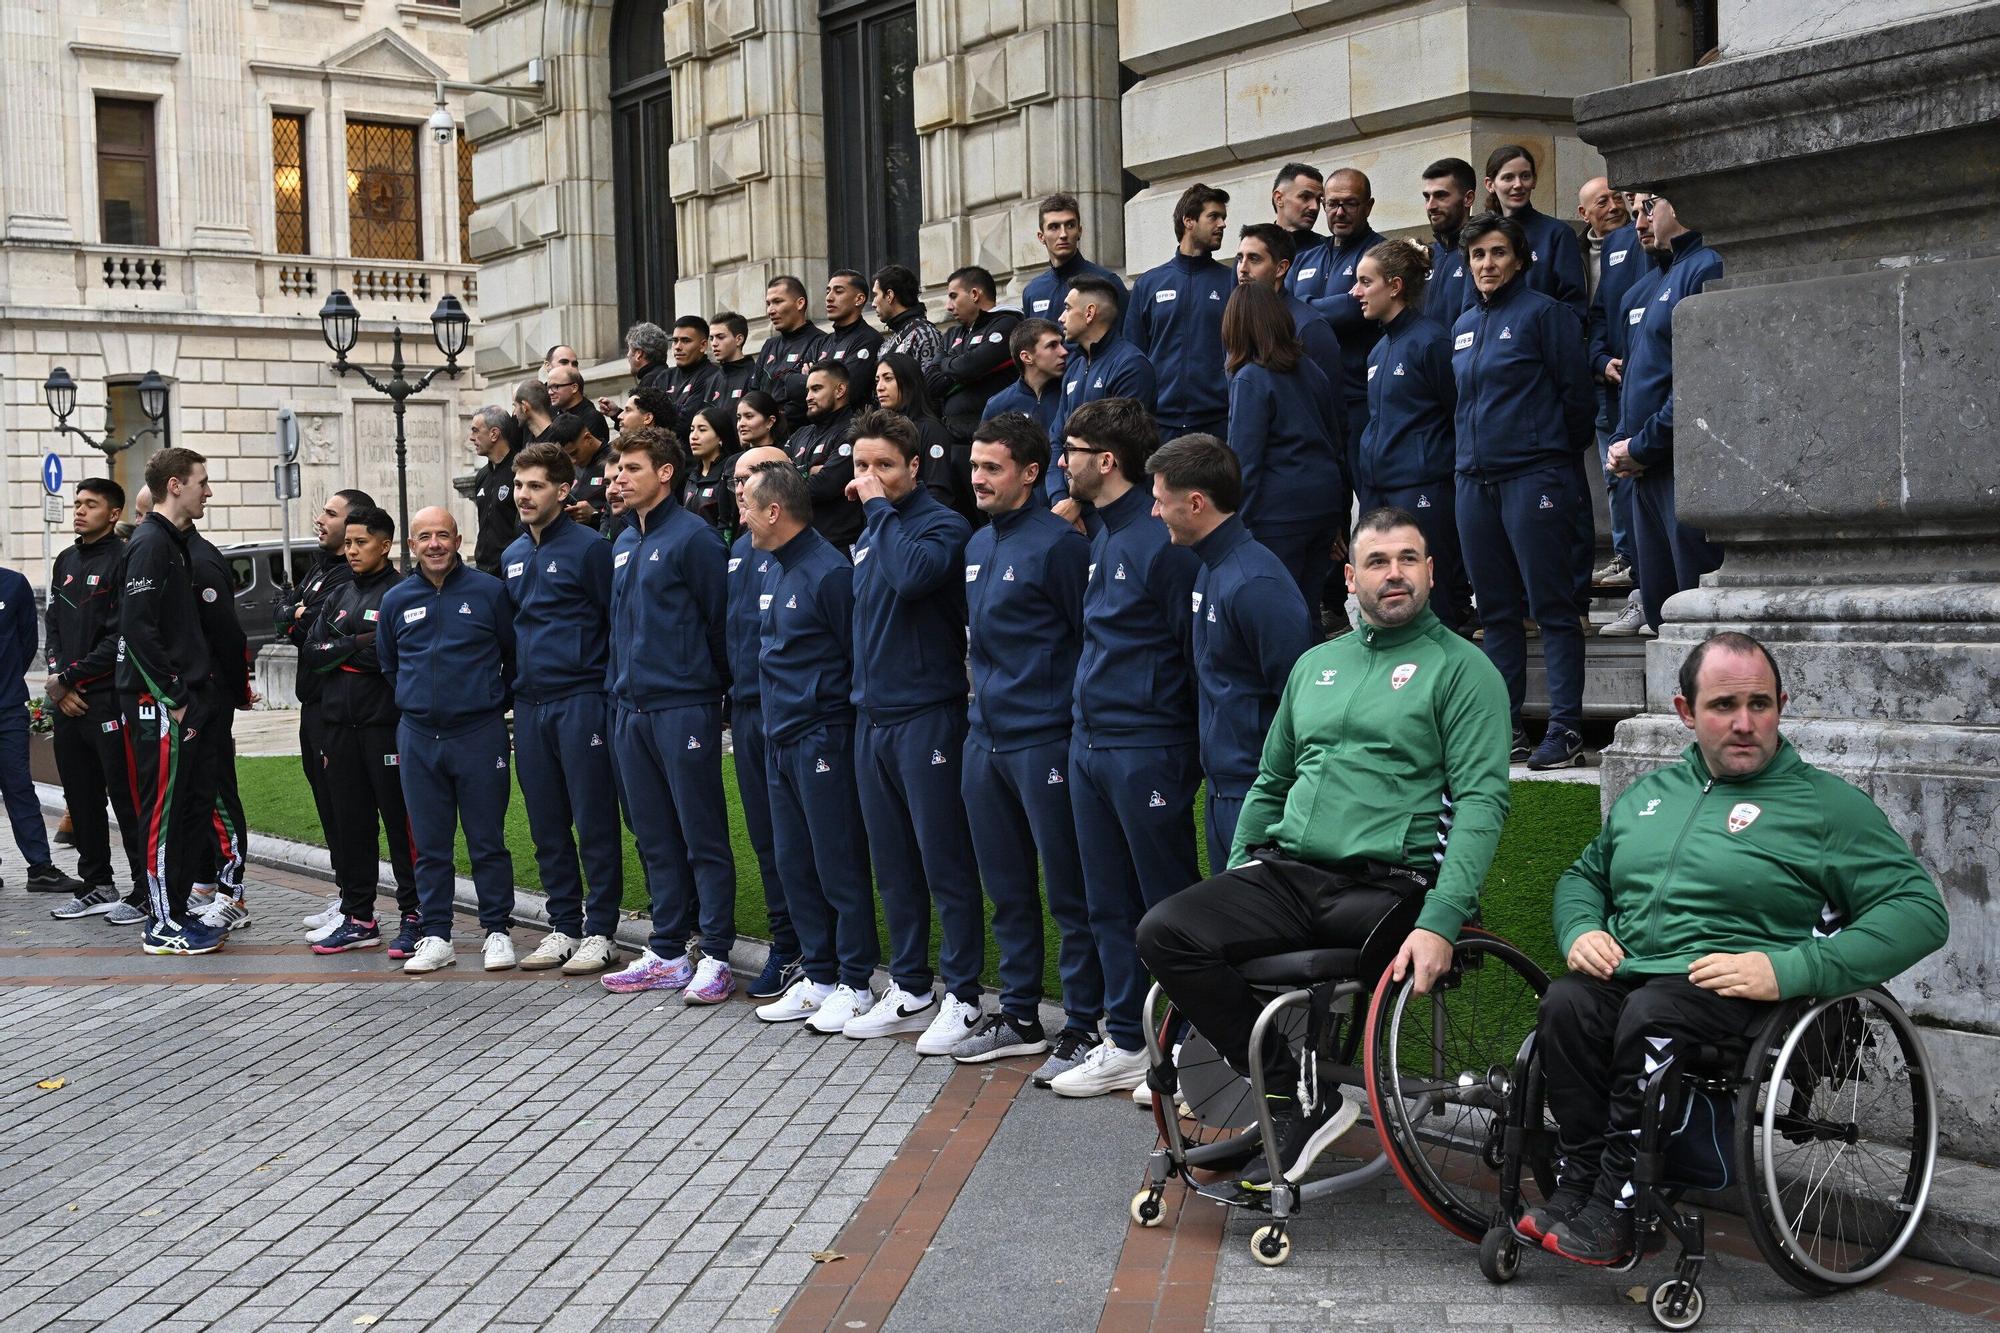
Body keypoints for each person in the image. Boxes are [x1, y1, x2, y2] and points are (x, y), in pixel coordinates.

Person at [1531, 632, 1949, 1263]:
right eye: (1724, 706)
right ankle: (1579, 1187)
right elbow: (1585, 877)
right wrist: (1581, 928)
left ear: (1781, 704)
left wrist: (1792, 968)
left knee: (1653, 1015)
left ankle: (1622, 1210)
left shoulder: (1826, 806)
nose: (1746, 723)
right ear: (1685, 712)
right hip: (1635, 971)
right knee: (1565, 1004)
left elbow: (1919, 912)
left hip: (1737, 988)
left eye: (1761, 704)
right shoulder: (1650, 796)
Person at [1137, 507, 1512, 1185]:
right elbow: (1273, 778)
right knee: (1165, 931)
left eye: (1407, 559)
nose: (1392, 573)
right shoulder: (1317, 665)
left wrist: (1441, 920)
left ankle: (1305, 1097)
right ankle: (1290, 1095)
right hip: (1288, 874)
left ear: (1430, 571)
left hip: (1392, 887)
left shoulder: (1464, 670)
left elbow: (1484, 802)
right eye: (1376, 561)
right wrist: (1241, 866)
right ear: (1350, 576)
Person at [1052, 398, 1201, 1098]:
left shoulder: (1156, 540)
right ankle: (1127, 1039)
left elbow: (1191, 650)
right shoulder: (1103, 534)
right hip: (1091, 743)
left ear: (1106, 460)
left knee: (1165, 903)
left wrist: (1177, 749)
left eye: (1071, 449)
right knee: (1104, 900)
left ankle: (1185, 1043)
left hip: (1146, 747)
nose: (1062, 461)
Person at [952, 412, 1102, 1079]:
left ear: (1032, 472)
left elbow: (1084, 640)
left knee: (1069, 888)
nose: (978, 478)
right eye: (976, 465)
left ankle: (1086, 1018)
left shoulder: (1061, 545)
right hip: (983, 740)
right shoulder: (978, 544)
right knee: (1006, 887)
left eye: (993, 467)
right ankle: (1017, 1014)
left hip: (1044, 740)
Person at [836, 410, 988, 1053]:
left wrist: (876, 509)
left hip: (928, 714)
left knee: (941, 859)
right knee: (893, 862)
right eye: (860, 466)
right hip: (872, 715)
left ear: (915, 467)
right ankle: (911, 985)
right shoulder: (876, 529)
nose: (869, 478)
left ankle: (962, 995)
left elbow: (912, 577)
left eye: (883, 466)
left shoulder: (941, 525)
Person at [599, 427, 739, 1004]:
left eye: (631, 468)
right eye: (615, 470)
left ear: (665, 473)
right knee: (654, 834)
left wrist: (703, 689)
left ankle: (717, 954)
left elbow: (718, 623)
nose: (618, 479)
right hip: (630, 708)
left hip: (684, 706)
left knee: (701, 831)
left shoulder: (695, 540)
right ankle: (666, 949)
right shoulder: (623, 540)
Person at [1451, 213, 1595, 769]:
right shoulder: (1462, 325)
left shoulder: (1545, 315)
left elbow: (1576, 400)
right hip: (1473, 482)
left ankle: (1565, 730)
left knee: (1554, 608)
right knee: (1496, 612)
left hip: (1535, 477)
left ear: (1521, 259)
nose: (1487, 265)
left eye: (1497, 254)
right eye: (1478, 256)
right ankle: (1507, 727)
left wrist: (1546, 454)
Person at [743, 462, 883, 1032]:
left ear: (775, 511)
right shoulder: (772, 568)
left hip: (823, 737)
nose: (741, 514)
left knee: (837, 862)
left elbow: (855, 659)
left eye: (748, 503)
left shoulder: (829, 573)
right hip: (781, 738)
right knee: (794, 861)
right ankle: (819, 977)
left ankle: (855, 982)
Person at [1147, 436, 1311, 860]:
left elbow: (1301, 704)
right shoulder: (1210, 569)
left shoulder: (1255, 585)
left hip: (1258, 798)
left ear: (1196, 503)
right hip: (1225, 792)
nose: (1154, 511)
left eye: (1161, 501)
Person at [500, 443, 626, 976]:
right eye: (518, 485)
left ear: (562, 489)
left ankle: (600, 929)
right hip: (530, 706)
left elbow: (613, 623)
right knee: (546, 822)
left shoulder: (591, 549)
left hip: (582, 700)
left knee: (594, 817)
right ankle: (563, 926)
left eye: (534, 485)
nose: (523, 495)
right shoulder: (509, 556)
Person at [378, 507, 518, 975]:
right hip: (418, 736)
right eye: (424, 537)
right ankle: (436, 934)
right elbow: (390, 664)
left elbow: (511, 655)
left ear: (459, 540)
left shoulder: (490, 592)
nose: (434, 544)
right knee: (431, 846)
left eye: (443, 535)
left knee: (487, 840)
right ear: (411, 545)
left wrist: (488, 699)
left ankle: (497, 930)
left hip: (479, 734)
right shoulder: (398, 600)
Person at [300, 505, 422, 956]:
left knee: (399, 822)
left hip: (383, 730)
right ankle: (359, 916)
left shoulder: (402, 593)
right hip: (337, 730)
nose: (350, 551)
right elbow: (312, 650)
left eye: (360, 543)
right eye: (347, 543)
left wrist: (341, 650)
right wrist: (355, 645)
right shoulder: (339, 593)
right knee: (351, 826)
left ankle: (415, 913)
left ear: (385, 545)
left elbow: (392, 657)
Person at [118, 447, 224, 955]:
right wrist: (174, 698)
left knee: (187, 812)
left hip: (186, 701)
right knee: (163, 817)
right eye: (202, 481)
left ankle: (175, 911)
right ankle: (161, 923)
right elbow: (138, 629)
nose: (209, 490)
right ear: (176, 485)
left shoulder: (174, 543)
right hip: (164, 706)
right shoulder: (150, 544)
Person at [1608, 193, 1725, 636]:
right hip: (1643, 469)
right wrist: (1624, 443)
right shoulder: (1651, 283)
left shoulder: (1706, 266)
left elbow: (1699, 379)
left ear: (1676, 204)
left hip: (1681, 464)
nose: (1640, 218)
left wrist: (1643, 444)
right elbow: (1637, 374)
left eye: (1646, 206)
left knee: (1696, 614)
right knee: (1661, 613)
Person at [1351, 238, 1472, 630]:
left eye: (1365, 282)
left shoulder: (1432, 341)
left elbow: (1458, 412)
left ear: (1395, 286)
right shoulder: (1378, 350)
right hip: (1380, 489)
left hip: (1425, 489)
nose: (1356, 292)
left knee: (1436, 598)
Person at [724, 447, 807, 1002]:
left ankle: (818, 949)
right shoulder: (738, 550)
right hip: (747, 712)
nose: (740, 487)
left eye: (752, 477)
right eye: (735, 478)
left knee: (803, 839)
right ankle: (787, 942)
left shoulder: (799, 554)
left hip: (792, 714)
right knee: (766, 841)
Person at [44, 478, 143, 917]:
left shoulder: (124, 560)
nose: (80, 511)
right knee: (80, 796)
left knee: (125, 795)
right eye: (77, 503)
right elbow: (54, 624)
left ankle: (144, 888)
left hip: (106, 700)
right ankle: (97, 883)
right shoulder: (65, 558)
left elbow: (119, 636)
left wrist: (71, 678)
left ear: (114, 513)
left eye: (91, 505)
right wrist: (57, 678)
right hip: (68, 702)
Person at [1220, 282, 1345, 619]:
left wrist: (1234, 525)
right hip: (1322, 505)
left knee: (1280, 616)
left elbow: (1245, 462)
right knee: (1309, 612)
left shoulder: (1250, 378)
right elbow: (1334, 441)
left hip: (1278, 514)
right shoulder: (1311, 370)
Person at [284, 487, 376, 933]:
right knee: (328, 803)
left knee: (349, 809)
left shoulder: (346, 579)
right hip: (313, 704)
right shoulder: (320, 569)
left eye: (330, 513)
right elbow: (292, 618)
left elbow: (313, 634)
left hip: (339, 707)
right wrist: (299, 615)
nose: (320, 519)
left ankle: (357, 905)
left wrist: (305, 620)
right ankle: (345, 896)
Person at [1286, 167, 1386, 478]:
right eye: (1332, 204)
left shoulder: (1379, 253)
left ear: (1368, 206)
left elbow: (1353, 309)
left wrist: (1302, 306)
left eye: (1350, 204)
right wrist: (1320, 307)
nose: (1339, 212)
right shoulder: (1306, 258)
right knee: (1328, 500)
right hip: (1310, 400)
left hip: (1359, 399)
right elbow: (1282, 311)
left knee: (1367, 492)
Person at [184, 514, 254, 930]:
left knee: (218, 796)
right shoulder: (166, 554)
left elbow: (228, 634)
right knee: (198, 795)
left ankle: (233, 895)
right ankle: (209, 883)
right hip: (189, 698)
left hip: (208, 698)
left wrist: (237, 690)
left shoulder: (201, 559)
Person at [1126, 183, 1234, 441]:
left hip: (1217, 423)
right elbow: (1132, 356)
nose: (1222, 224)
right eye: (1213, 217)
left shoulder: (1232, 283)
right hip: (1159, 425)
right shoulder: (1148, 284)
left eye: (1224, 217)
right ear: (1189, 221)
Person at [4, 557, 84, 896]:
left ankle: (40, 868)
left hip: (6, 709)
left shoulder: (13, 585)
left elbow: (25, 645)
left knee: (19, 788)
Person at [1581, 178, 1642, 607]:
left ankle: (1640, 567)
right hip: (1608, 387)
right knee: (1613, 475)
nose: (1615, 205)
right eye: (1601, 201)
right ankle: (1624, 555)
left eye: (1618, 196)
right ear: (1584, 213)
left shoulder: (1632, 243)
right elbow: (1597, 317)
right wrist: (1600, 359)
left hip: (1645, 385)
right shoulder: (1581, 250)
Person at [1047, 276, 1157, 509]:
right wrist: (1059, 497)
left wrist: (1076, 501)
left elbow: (1120, 449)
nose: (1061, 317)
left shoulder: (1131, 366)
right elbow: (1057, 436)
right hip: (1071, 502)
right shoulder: (1074, 367)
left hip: (1114, 507)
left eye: (1067, 308)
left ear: (1089, 313)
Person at [1233, 223, 1345, 396]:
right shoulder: (1236, 320)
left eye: (1254, 259)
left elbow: (1329, 405)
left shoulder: (1309, 326)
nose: (1242, 268)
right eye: (1240, 258)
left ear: (1281, 268)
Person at [1483, 144, 1587, 325]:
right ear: (1490, 184)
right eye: (1508, 177)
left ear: (1534, 180)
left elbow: (1573, 305)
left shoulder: (1557, 233)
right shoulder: (1480, 236)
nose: (1518, 185)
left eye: (1525, 176)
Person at [923, 265, 1022, 451]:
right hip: (953, 437)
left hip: (993, 438)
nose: (948, 306)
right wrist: (958, 366)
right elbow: (930, 382)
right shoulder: (952, 333)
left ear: (975, 294)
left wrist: (946, 362)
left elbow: (970, 367)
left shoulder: (1006, 324)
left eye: (953, 296)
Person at [787, 361, 864, 550]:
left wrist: (796, 474)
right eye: (807, 391)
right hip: (800, 543)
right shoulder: (800, 434)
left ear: (840, 391)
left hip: (839, 544)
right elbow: (776, 476)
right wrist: (809, 471)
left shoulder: (855, 431)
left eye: (816, 389)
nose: (808, 397)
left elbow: (825, 486)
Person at [873, 351, 962, 513]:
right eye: (877, 380)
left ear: (908, 382)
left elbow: (939, 492)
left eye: (888, 378)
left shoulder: (931, 430)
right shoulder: (879, 431)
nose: (880, 387)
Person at [1020, 192, 1127, 324]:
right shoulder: (1033, 291)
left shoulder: (1106, 282)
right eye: (1054, 227)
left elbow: (1128, 338)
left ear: (1079, 231)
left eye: (1070, 225)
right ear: (1041, 237)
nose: (1063, 234)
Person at [755, 276, 828, 432]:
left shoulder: (820, 342)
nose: (770, 310)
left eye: (778, 302)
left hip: (797, 435)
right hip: (762, 435)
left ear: (800, 303)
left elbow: (806, 397)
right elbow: (754, 392)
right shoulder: (769, 345)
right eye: (768, 304)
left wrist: (774, 426)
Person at [978, 317, 1066, 438]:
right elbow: (985, 453)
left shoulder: (1071, 392)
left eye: (1061, 344)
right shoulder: (998, 405)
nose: (1063, 352)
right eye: (1052, 345)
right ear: (1027, 357)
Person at [1420, 157, 1479, 325]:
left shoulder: (1482, 256)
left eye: (1440, 196)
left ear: (1468, 199)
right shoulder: (1423, 257)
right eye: (1427, 197)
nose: (1431, 206)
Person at [467, 406, 524, 576]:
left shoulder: (519, 471)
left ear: (494, 434)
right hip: (483, 568)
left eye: (476, 431)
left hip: (511, 567)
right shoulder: (482, 475)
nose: (471, 438)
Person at [822, 268, 885, 402]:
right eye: (828, 292)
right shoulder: (824, 341)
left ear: (859, 299)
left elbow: (847, 391)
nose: (829, 298)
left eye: (838, 291)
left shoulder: (869, 340)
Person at [543, 414, 610, 531]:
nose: (572, 461)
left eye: (574, 453)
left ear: (588, 438)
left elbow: (629, 511)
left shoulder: (615, 460)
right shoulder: (568, 466)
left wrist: (595, 515)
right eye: (566, 456)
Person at [685, 403, 742, 538]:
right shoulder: (692, 477)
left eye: (702, 430)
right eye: (692, 429)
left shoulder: (731, 473)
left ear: (720, 437)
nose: (694, 436)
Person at [872, 264, 945, 368]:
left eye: (875, 295)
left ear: (889, 295)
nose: (873, 304)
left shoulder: (924, 334)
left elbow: (930, 382)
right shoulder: (889, 341)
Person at [547, 365, 611, 449]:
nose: (550, 392)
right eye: (548, 387)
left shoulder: (592, 418)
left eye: (555, 387)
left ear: (574, 388)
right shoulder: (553, 414)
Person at [708, 312, 759, 404]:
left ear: (739, 339)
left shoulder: (755, 375)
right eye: (711, 338)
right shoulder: (712, 379)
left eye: (720, 337)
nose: (714, 344)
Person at [1270, 163, 1324, 247]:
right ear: (1279, 198)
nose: (1315, 207)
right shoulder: (1255, 248)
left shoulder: (1328, 251)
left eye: (1318, 199)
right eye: (1305, 197)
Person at [514, 377, 557, 443]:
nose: (514, 413)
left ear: (524, 406)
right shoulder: (529, 443)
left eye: (515, 406)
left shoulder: (559, 439)